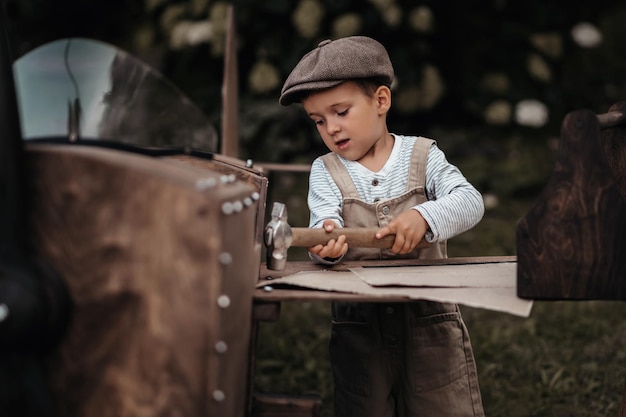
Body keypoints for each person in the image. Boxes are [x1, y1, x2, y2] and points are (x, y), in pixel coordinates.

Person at [279, 36, 485, 417]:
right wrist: (325, 244)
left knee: (442, 406)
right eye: (319, 121)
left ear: (380, 101)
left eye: (341, 112)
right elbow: (322, 226)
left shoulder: (424, 156)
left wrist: (426, 217)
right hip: (360, 329)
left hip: (428, 322)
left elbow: (471, 202)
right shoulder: (325, 172)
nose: (331, 129)